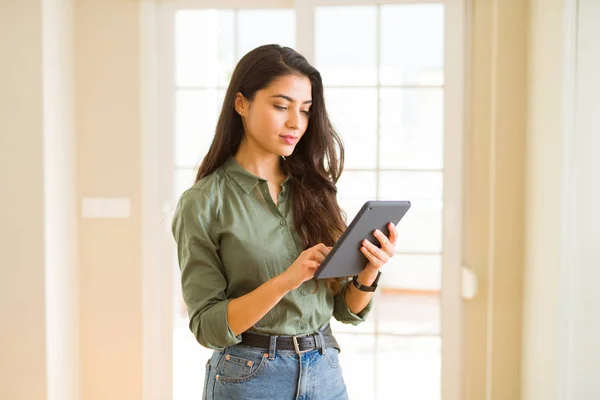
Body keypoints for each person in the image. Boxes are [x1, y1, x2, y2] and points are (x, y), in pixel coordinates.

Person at [171, 44, 398, 400]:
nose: (296, 122)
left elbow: (343, 310)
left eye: (305, 110)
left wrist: (368, 273)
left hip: (324, 369)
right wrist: (286, 281)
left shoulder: (315, 190)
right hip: (249, 377)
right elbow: (208, 327)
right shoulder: (203, 203)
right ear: (241, 103)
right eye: (281, 106)